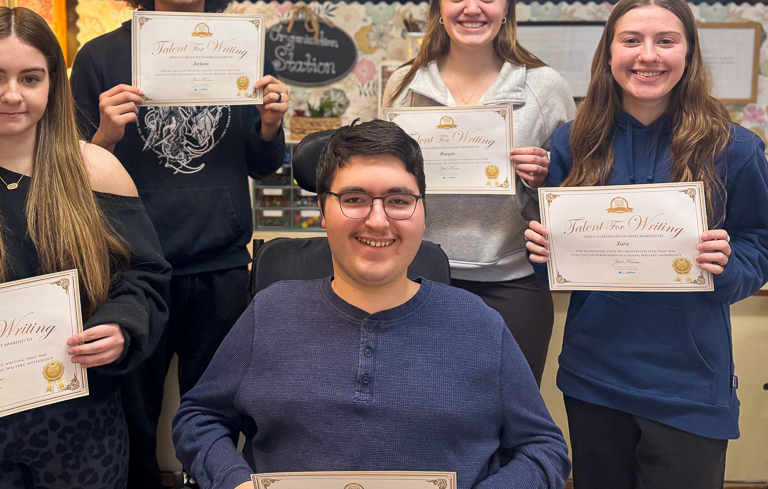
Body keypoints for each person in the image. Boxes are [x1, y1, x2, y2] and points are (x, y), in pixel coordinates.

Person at [173, 119, 571, 489]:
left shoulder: (477, 323)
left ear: (422, 212)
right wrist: (234, 480)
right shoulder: (270, 312)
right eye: (355, 198)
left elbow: (544, 449)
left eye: (398, 200)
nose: (378, 220)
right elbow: (198, 419)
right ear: (323, 212)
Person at [0, 6, 171, 489]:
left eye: (31, 77)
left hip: (78, 422)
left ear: (52, 86)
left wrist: (122, 326)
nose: (12, 95)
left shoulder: (96, 171)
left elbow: (145, 278)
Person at [69, 0, 289, 488]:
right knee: (130, 414)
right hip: (127, 269)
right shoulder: (98, 59)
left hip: (218, 267)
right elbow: (72, 178)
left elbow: (263, 167)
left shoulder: (240, 50)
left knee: (218, 415)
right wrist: (106, 135)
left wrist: (270, 125)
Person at [525, 0, 768, 489]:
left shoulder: (735, 147)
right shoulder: (572, 142)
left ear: (689, 53)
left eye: (666, 40)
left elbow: (759, 244)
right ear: (609, 51)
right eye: (632, 40)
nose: (648, 55)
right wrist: (543, 253)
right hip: (593, 376)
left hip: (689, 384)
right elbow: (555, 259)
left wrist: (729, 268)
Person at [382, 0, 575, 385]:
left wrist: (548, 177)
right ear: (439, 7)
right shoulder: (403, 85)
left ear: (507, 7)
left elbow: (577, 192)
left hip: (513, 282)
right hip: (416, 277)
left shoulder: (544, 86)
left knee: (509, 418)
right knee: (417, 409)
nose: (472, 9)